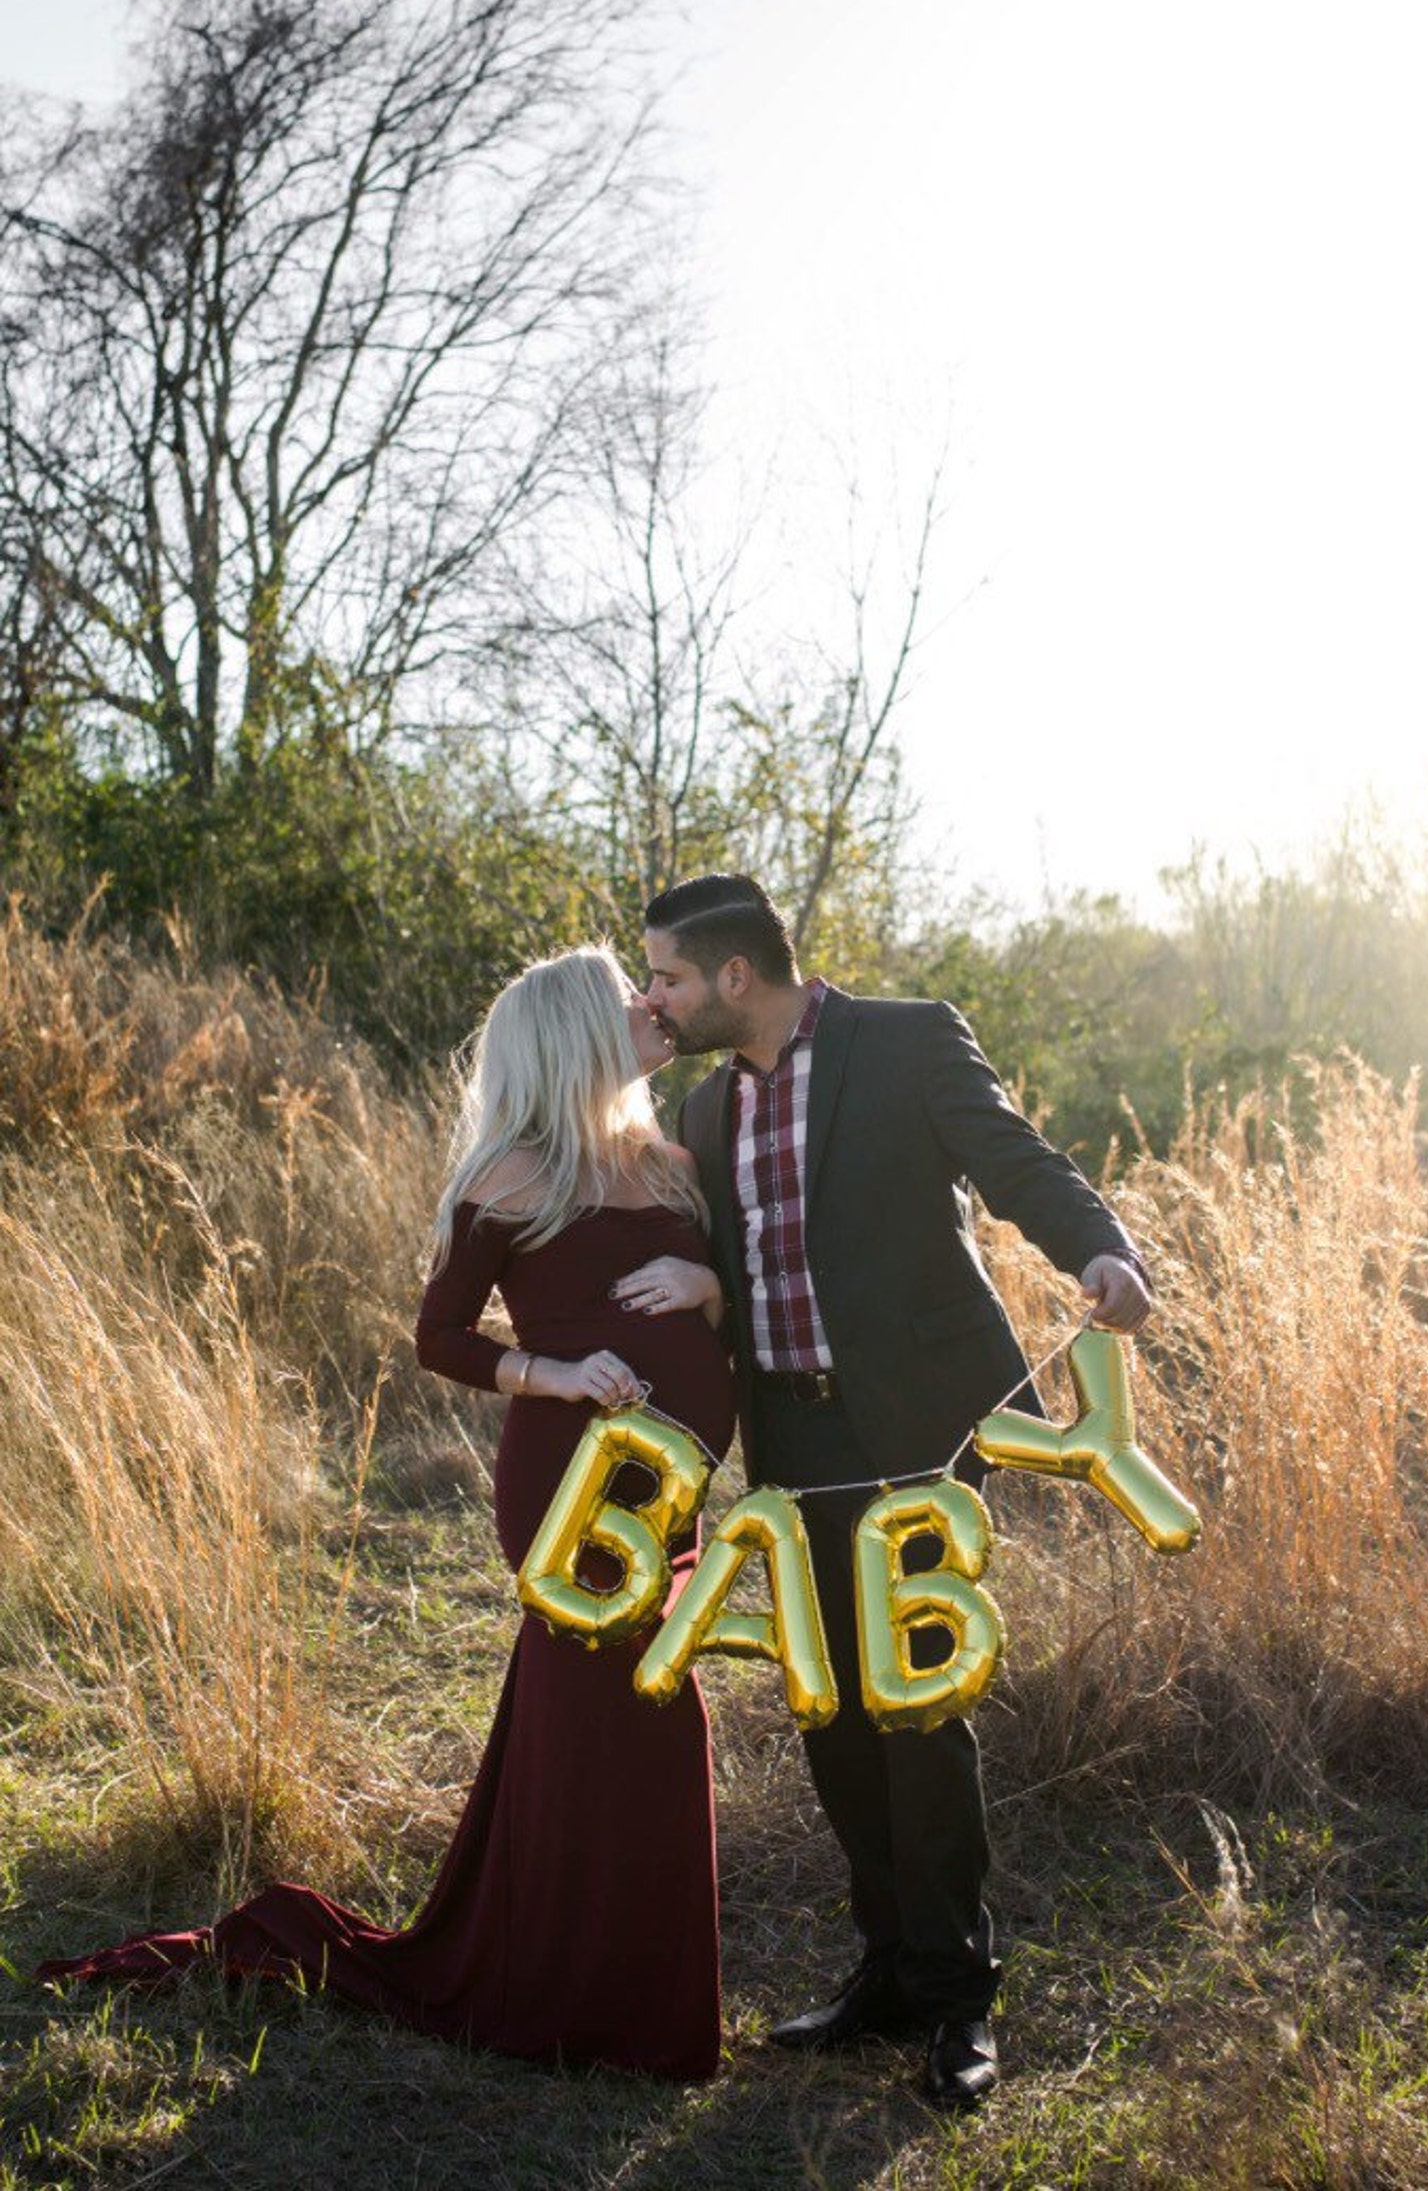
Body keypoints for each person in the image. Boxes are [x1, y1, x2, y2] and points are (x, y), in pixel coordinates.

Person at [39, 947, 734, 2082]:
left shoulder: (673, 1162)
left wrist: (709, 1291)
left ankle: (629, 1999)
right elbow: (441, 1338)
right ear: (573, 1035)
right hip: (567, 1486)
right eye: (629, 999)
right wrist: (551, 1374)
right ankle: (578, 2002)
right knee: (621, 1709)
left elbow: (735, 1300)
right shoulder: (512, 1175)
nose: (656, 1006)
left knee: (649, 1714)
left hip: (670, 1491)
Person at [642, 875, 1152, 2109]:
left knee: (919, 1712)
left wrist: (1100, 1246)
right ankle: (886, 1966)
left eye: (664, 975)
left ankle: (958, 1999)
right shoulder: (704, 1111)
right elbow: (727, 1262)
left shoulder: (907, 1037)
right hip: (795, 1449)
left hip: (922, 1439)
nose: (651, 996)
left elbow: (1014, 1160)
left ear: (735, 977)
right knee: (833, 1712)